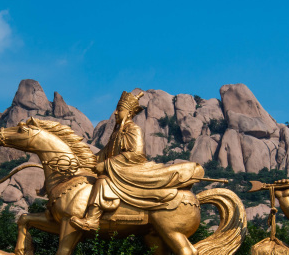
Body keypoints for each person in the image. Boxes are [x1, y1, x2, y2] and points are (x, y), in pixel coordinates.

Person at [70, 89, 204, 232]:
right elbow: (103, 154)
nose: (115, 113)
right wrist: (85, 162)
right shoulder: (116, 133)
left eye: (119, 110)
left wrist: (107, 165)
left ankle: (92, 219)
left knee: (102, 181)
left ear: (128, 113)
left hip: (129, 170)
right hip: (118, 169)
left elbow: (137, 154)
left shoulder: (134, 129)